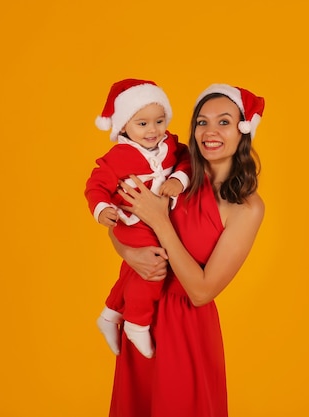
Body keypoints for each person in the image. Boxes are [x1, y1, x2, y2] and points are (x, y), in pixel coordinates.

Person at [106, 83, 266, 417]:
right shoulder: (168, 170)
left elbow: (202, 291)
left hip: (186, 330)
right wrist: (128, 254)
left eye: (223, 121)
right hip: (142, 319)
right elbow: (120, 220)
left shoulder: (246, 208)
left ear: (243, 130)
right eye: (201, 122)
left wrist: (161, 222)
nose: (210, 131)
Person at [84, 78, 190, 358]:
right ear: (124, 126)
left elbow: (186, 159)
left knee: (134, 268)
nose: (152, 130)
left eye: (159, 121)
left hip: (154, 217)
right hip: (131, 220)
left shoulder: (170, 144)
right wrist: (102, 209)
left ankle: (110, 314)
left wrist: (179, 179)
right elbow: (96, 185)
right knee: (154, 263)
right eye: (142, 124)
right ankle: (137, 323)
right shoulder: (118, 157)